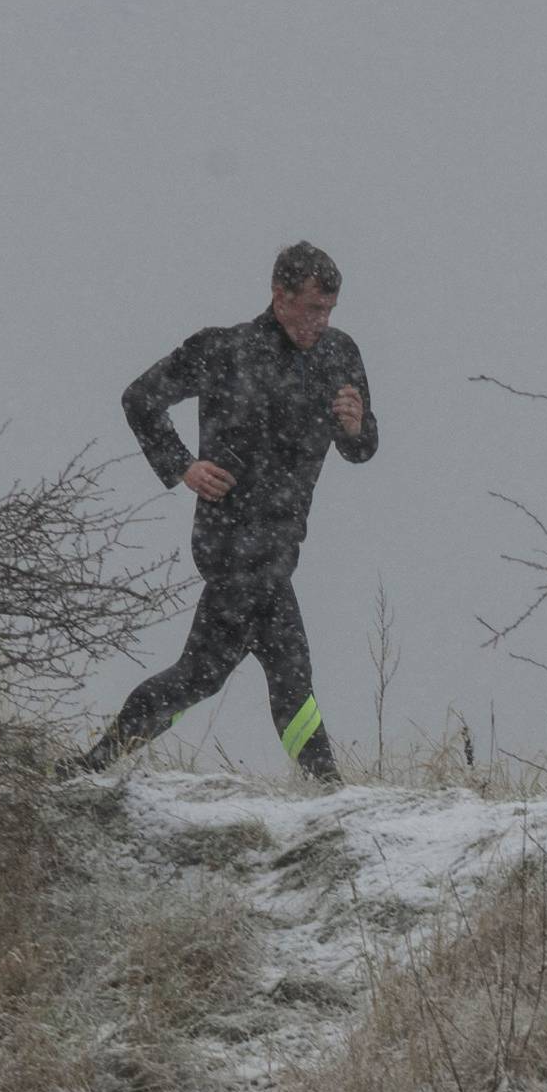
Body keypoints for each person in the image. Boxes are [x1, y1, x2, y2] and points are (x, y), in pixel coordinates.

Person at [67, 241, 378, 781]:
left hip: (283, 540)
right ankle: (331, 790)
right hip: (229, 539)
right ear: (279, 297)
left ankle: (89, 768)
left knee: (207, 673)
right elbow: (140, 398)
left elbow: (361, 447)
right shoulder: (224, 349)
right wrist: (182, 465)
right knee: (284, 669)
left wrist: (356, 428)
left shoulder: (339, 354)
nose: (321, 321)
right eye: (311, 309)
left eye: (329, 310)